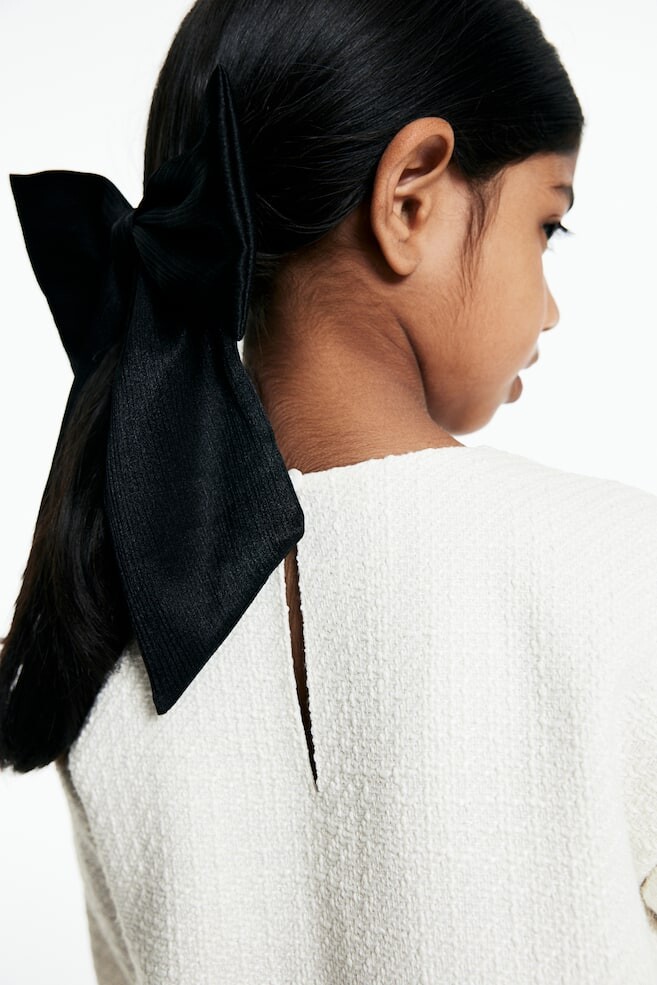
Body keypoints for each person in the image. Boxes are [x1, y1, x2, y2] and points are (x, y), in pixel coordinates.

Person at [2, 0, 657, 981]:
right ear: (411, 197)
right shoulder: (625, 572)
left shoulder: (111, 632)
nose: (551, 305)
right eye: (546, 223)